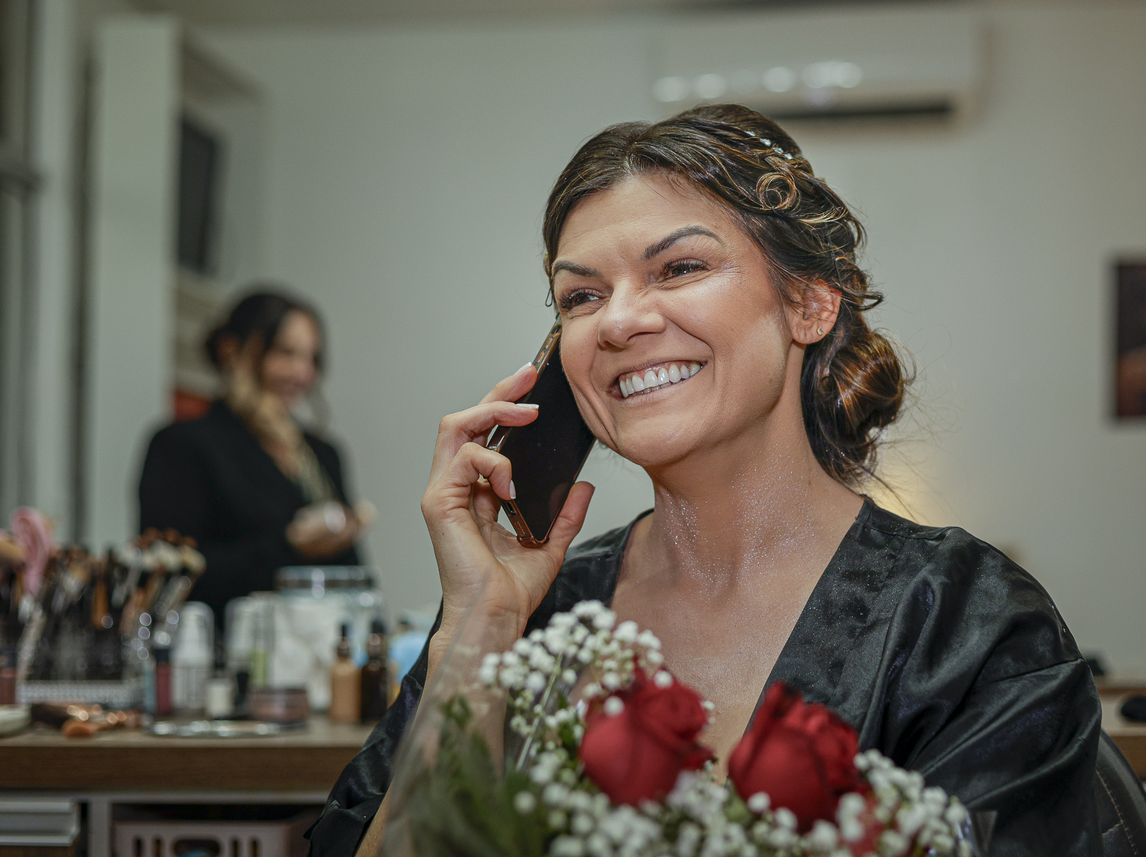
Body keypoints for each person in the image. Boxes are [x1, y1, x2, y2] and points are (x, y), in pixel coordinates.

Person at [307, 106, 1100, 857]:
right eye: (581, 296)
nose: (617, 322)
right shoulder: (532, 616)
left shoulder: (966, 620)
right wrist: (478, 625)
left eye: (680, 267)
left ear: (810, 302)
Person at [138, 289, 368, 625]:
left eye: (312, 359)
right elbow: (171, 574)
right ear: (232, 351)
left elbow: (354, 576)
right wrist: (289, 546)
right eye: (285, 353)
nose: (303, 374)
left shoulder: (322, 454)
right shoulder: (182, 445)